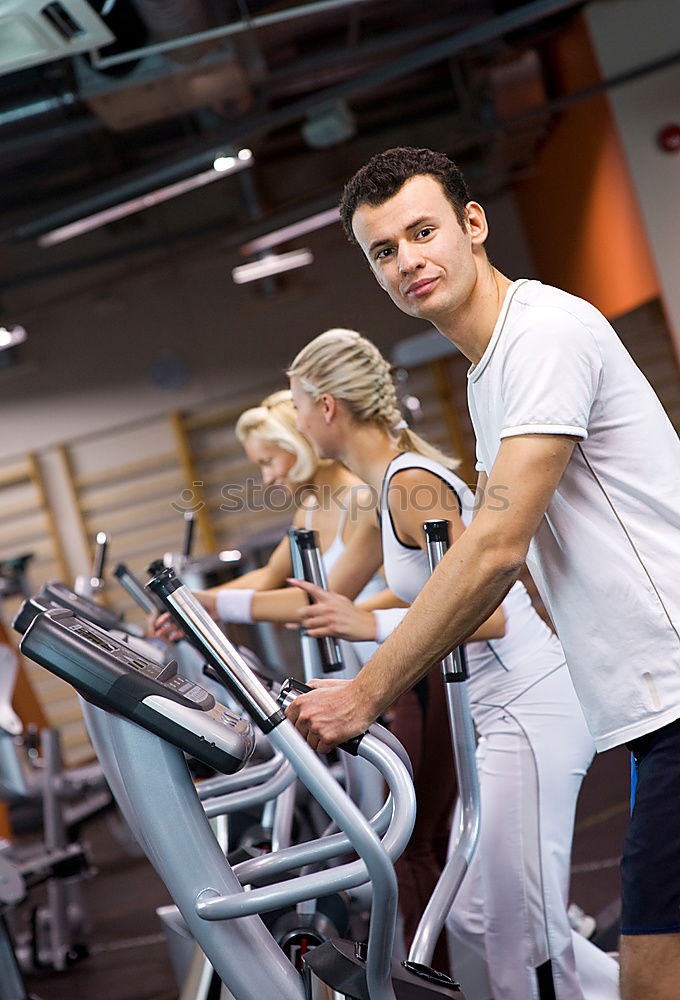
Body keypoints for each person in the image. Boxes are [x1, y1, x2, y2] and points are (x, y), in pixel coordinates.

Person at [285, 147, 680, 1000]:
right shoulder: (487, 373)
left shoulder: (541, 335)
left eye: (423, 232)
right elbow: (527, 553)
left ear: (473, 225)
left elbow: (494, 550)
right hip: (642, 707)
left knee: (648, 977)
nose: (407, 261)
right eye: (384, 251)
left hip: (676, 688)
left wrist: (364, 691)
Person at [286, 327, 619, 999]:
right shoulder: (385, 487)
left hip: (531, 701)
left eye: (295, 406)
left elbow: (488, 611)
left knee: (516, 943)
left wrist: (369, 628)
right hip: (498, 712)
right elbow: (376, 599)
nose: (294, 422)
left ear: (326, 408)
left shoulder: (411, 484)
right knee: (469, 909)